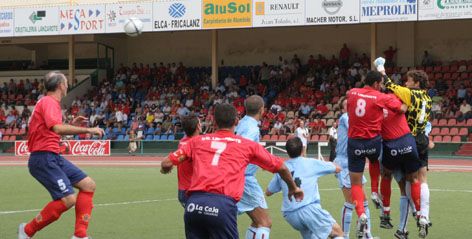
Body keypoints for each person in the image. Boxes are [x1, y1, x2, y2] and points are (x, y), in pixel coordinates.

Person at [160, 103, 303, 239]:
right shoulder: (247, 146)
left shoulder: (196, 141)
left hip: (193, 206)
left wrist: (165, 169)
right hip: (221, 206)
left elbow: (166, 163)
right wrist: (293, 188)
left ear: (214, 123)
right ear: (236, 121)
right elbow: (282, 167)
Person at [18, 71, 104, 239]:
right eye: (66, 82)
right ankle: (27, 230)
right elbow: (57, 129)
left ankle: (80, 235)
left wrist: (71, 125)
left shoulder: (47, 103)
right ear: (60, 85)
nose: (67, 85)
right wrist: (88, 129)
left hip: (51, 156)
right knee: (68, 199)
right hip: (43, 158)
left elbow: (50, 131)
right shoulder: (49, 102)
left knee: (88, 185)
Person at [376, 57, 433, 238]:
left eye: (408, 80)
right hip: (422, 139)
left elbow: (390, 85)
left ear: (416, 83)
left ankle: (402, 224)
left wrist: (381, 68)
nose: (406, 83)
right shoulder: (428, 97)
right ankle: (423, 215)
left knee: (406, 185)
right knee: (421, 179)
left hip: (407, 139)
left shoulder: (411, 93)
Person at [346, 70, 405, 238]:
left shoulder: (351, 93)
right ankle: (374, 191)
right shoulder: (380, 97)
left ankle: (362, 215)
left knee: (356, 184)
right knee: (373, 162)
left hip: (355, 142)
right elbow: (401, 108)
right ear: (377, 84)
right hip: (373, 142)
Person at [266, 137, 344, 239]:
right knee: (337, 233)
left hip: (290, 214)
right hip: (308, 209)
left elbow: (268, 192)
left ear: (287, 152)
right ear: (303, 149)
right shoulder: (310, 162)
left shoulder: (282, 168)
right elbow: (337, 168)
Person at [378, 93, 423, 239]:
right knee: (414, 180)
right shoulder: (397, 97)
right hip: (407, 142)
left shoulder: (374, 105)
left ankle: (386, 213)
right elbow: (404, 108)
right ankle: (419, 214)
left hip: (390, 146)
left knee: (387, 177)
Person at [235, 95, 272, 239]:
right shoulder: (252, 128)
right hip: (245, 179)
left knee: (257, 222)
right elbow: (243, 148)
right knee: (264, 222)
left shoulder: (242, 123)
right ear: (262, 109)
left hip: (240, 177)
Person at [333, 99, 371, 239]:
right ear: (343, 108)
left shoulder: (354, 118)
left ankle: (368, 235)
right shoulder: (345, 117)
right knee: (350, 201)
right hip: (344, 162)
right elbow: (357, 130)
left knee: (364, 200)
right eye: (346, 105)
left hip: (355, 161)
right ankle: (345, 236)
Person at [176, 115, 201, 207]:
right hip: (193, 189)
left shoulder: (183, 141)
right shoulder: (196, 143)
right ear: (198, 126)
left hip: (183, 188)